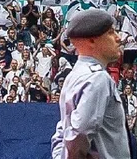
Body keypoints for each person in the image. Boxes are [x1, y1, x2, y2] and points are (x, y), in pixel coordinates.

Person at [54, 10, 131, 159]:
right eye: (110, 32)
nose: (118, 38)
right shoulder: (97, 78)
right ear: (92, 41)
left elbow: (62, 132)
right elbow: (80, 132)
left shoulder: (74, 75)